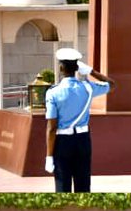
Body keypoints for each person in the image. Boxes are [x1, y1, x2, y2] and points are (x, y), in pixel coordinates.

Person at [44, 47, 115, 193]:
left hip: (62, 142)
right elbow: (112, 84)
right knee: (83, 185)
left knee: (62, 186)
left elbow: (51, 127)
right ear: (77, 67)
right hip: (83, 140)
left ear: (61, 67)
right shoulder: (87, 88)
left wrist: (49, 156)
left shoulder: (53, 92)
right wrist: (91, 71)